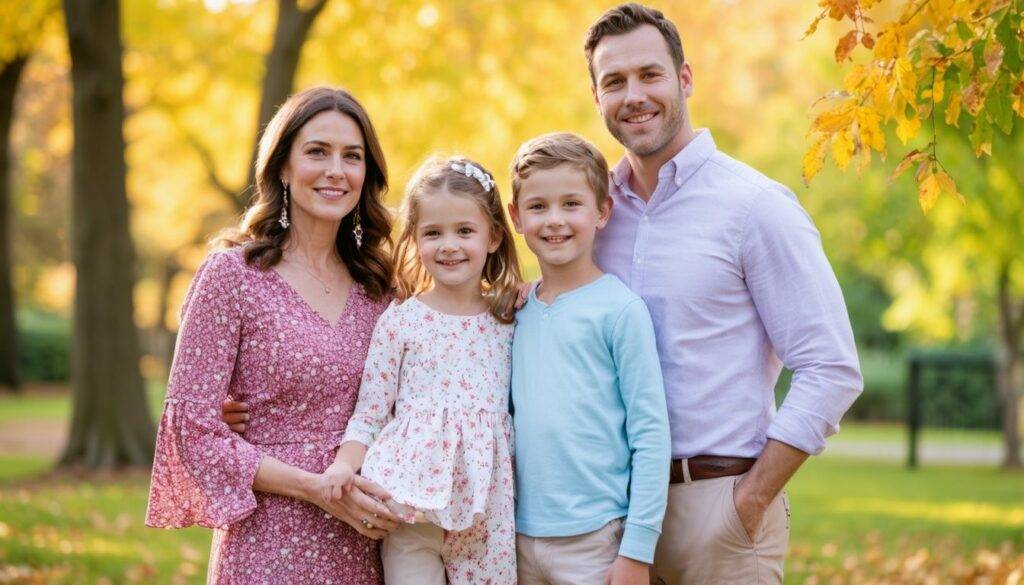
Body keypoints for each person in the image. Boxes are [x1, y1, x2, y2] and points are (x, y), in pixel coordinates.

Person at [584, 5, 864, 584]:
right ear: (596, 96)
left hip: (719, 506)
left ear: (684, 79)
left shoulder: (754, 207)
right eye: (614, 81)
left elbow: (830, 367)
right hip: (610, 517)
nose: (633, 95)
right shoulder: (591, 218)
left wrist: (750, 502)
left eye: (649, 74)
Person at [145, 86, 402, 584]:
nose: (336, 170)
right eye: (317, 152)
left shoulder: (382, 290)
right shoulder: (231, 276)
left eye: (352, 156)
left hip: (367, 548)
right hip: (266, 544)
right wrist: (316, 488)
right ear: (282, 167)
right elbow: (190, 430)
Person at [319, 156, 522, 584]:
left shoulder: (510, 320)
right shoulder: (400, 322)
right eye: (433, 233)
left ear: (493, 237)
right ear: (414, 239)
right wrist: (343, 465)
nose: (449, 245)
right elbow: (371, 413)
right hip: (410, 505)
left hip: (488, 510)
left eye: (465, 231)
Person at [507, 132, 671, 585]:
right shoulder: (512, 313)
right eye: (538, 207)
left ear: (602, 211)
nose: (554, 220)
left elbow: (651, 435)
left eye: (571, 204)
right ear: (516, 218)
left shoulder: (619, 311)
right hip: (517, 535)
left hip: (596, 539)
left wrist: (637, 550)